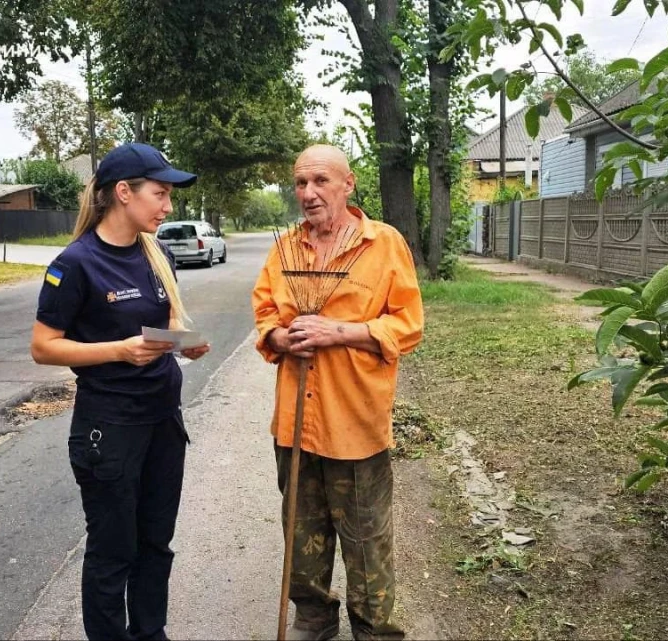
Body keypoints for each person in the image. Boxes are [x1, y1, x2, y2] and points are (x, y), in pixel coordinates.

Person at [30, 142, 209, 641]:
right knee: (113, 552)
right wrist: (119, 351)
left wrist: (183, 343)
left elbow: (165, 324)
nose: (168, 206)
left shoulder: (156, 254)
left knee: (156, 543)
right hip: (108, 429)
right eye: (161, 193)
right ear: (124, 193)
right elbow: (44, 348)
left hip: (162, 422)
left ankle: (151, 633)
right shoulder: (75, 263)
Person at [252, 144, 424, 641]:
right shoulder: (285, 248)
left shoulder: (384, 244)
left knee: (367, 540)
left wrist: (340, 333)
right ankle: (314, 617)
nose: (308, 193)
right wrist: (282, 338)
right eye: (301, 183)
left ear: (348, 184)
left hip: (355, 422)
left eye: (320, 181)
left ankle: (373, 630)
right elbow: (265, 313)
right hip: (295, 424)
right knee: (302, 532)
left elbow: (408, 325)